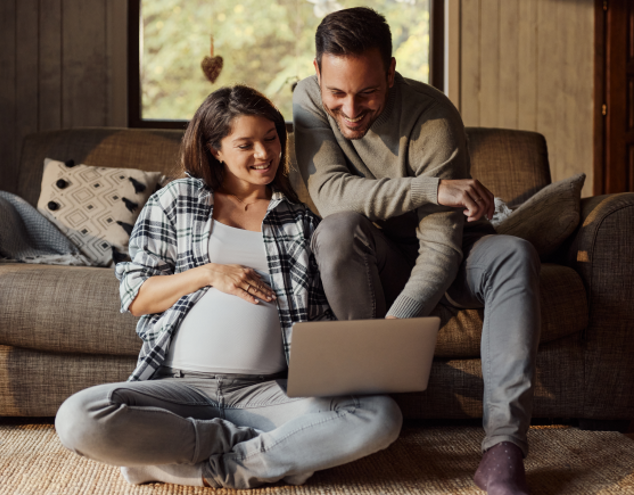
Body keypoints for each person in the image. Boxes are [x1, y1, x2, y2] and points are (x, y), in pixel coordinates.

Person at [54, 85, 402, 490]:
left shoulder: (301, 222)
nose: (264, 153)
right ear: (215, 149)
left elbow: (319, 318)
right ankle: (257, 452)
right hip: (180, 388)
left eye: (271, 138)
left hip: (267, 394)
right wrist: (208, 273)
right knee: (79, 417)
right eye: (246, 144)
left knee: (380, 415)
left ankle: (193, 467)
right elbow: (138, 297)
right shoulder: (174, 201)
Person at [293, 8, 540, 495]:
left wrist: (397, 330)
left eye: (368, 93)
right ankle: (366, 404)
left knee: (514, 251)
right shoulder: (307, 99)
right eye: (337, 93)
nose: (349, 110)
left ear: (391, 71)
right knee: (337, 230)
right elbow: (332, 197)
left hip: (452, 254)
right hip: (375, 254)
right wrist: (433, 188)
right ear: (318, 72)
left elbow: (441, 249)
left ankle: (503, 449)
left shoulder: (434, 117)